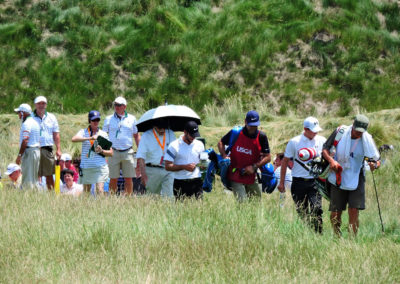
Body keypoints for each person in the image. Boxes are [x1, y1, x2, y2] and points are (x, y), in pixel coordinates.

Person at [322, 114, 380, 237]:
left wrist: (374, 165)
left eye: (361, 132)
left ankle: (352, 240)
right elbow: (325, 149)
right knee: (335, 212)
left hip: (357, 175)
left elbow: (376, 159)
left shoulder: (367, 139)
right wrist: (331, 161)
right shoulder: (340, 132)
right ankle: (337, 237)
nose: (359, 134)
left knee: (354, 210)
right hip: (337, 174)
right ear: (353, 125)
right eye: (357, 131)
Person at [278, 117, 326, 233]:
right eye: (313, 130)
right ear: (305, 129)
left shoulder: (322, 141)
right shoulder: (294, 142)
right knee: (302, 211)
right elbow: (285, 162)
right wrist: (281, 182)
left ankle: (318, 233)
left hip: (315, 182)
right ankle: (308, 231)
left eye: (317, 130)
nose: (316, 133)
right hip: (298, 182)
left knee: (317, 208)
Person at [218, 110, 271, 202]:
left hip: (252, 176)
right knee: (242, 204)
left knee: (256, 205)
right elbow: (221, 142)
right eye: (251, 125)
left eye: (255, 125)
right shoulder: (236, 133)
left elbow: (268, 157)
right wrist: (224, 155)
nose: (253, 128)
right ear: (245, 122)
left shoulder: (261, 137)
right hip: (235, 174)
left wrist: (254, 167)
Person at [103, 97, 140, 196]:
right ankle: (112, 199)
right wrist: (106, 150)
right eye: (115, 105)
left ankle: (128, 198)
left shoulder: (132, 118)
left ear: (125, 106)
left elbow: (136, 135)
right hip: (113, 151)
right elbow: (103, 135)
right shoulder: (108, 119)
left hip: (128, 151)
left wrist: (140, 150)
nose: (117, 107)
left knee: (128, 178)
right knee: (113, 178)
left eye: (119, 105)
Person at [72, 110, 113, 194]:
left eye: (97, 120)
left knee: (100, 190)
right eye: (93, 120)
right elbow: (74, 139)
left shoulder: (103, 134)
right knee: (86, 192)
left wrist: (102, 151)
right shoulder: (83, 132)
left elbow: (111, 153)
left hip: (100, 167)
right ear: (89, 120)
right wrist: (89, 138)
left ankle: (101, 207)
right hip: (86, 167)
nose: (96, 122)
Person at [164, 121, 205, 200]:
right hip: (180, 182)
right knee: (182, 209)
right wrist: (184, 167)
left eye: (195, 135)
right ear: (185, 132)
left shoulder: (200, 144)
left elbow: (203, 162)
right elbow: (167, 166)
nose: (193, 138)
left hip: (197, 181)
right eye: (191, 135)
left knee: (199, 209)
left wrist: (204, 165)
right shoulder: (173, 145)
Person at [136, 118, 176, 198]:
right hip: (152, 170)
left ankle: (168, 209)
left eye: (163, 128)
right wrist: (143, 174)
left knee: (169, 197)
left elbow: (175, 151)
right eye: (159, 128)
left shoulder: (170, 133)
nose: (161, 130)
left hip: (168, 169)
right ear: (154, 126)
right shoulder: (146, 136)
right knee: (152, 197)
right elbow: (141, 157)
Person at [32, 96, 61, 190]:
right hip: (34, 149)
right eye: (39, 103)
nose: (41, 105)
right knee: (34, 175)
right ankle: (35, 196)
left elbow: (56, 134)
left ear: (46, 105)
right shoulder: (30, 117)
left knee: (49, 175)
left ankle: (51, 195)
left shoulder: (52, 117)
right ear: (35, 105)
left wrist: (58, 149)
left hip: (47, 149)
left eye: (43, 103)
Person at [14, 103, 41, 189]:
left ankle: (28, 196)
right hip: (35, 151)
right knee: (34, 179)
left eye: (19, 112)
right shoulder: (35, 122)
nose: (18, 115)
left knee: (28, 179)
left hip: (30, 152)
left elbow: (25, 140)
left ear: (23, 113)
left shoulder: (27, 123)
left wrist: (19, 156)